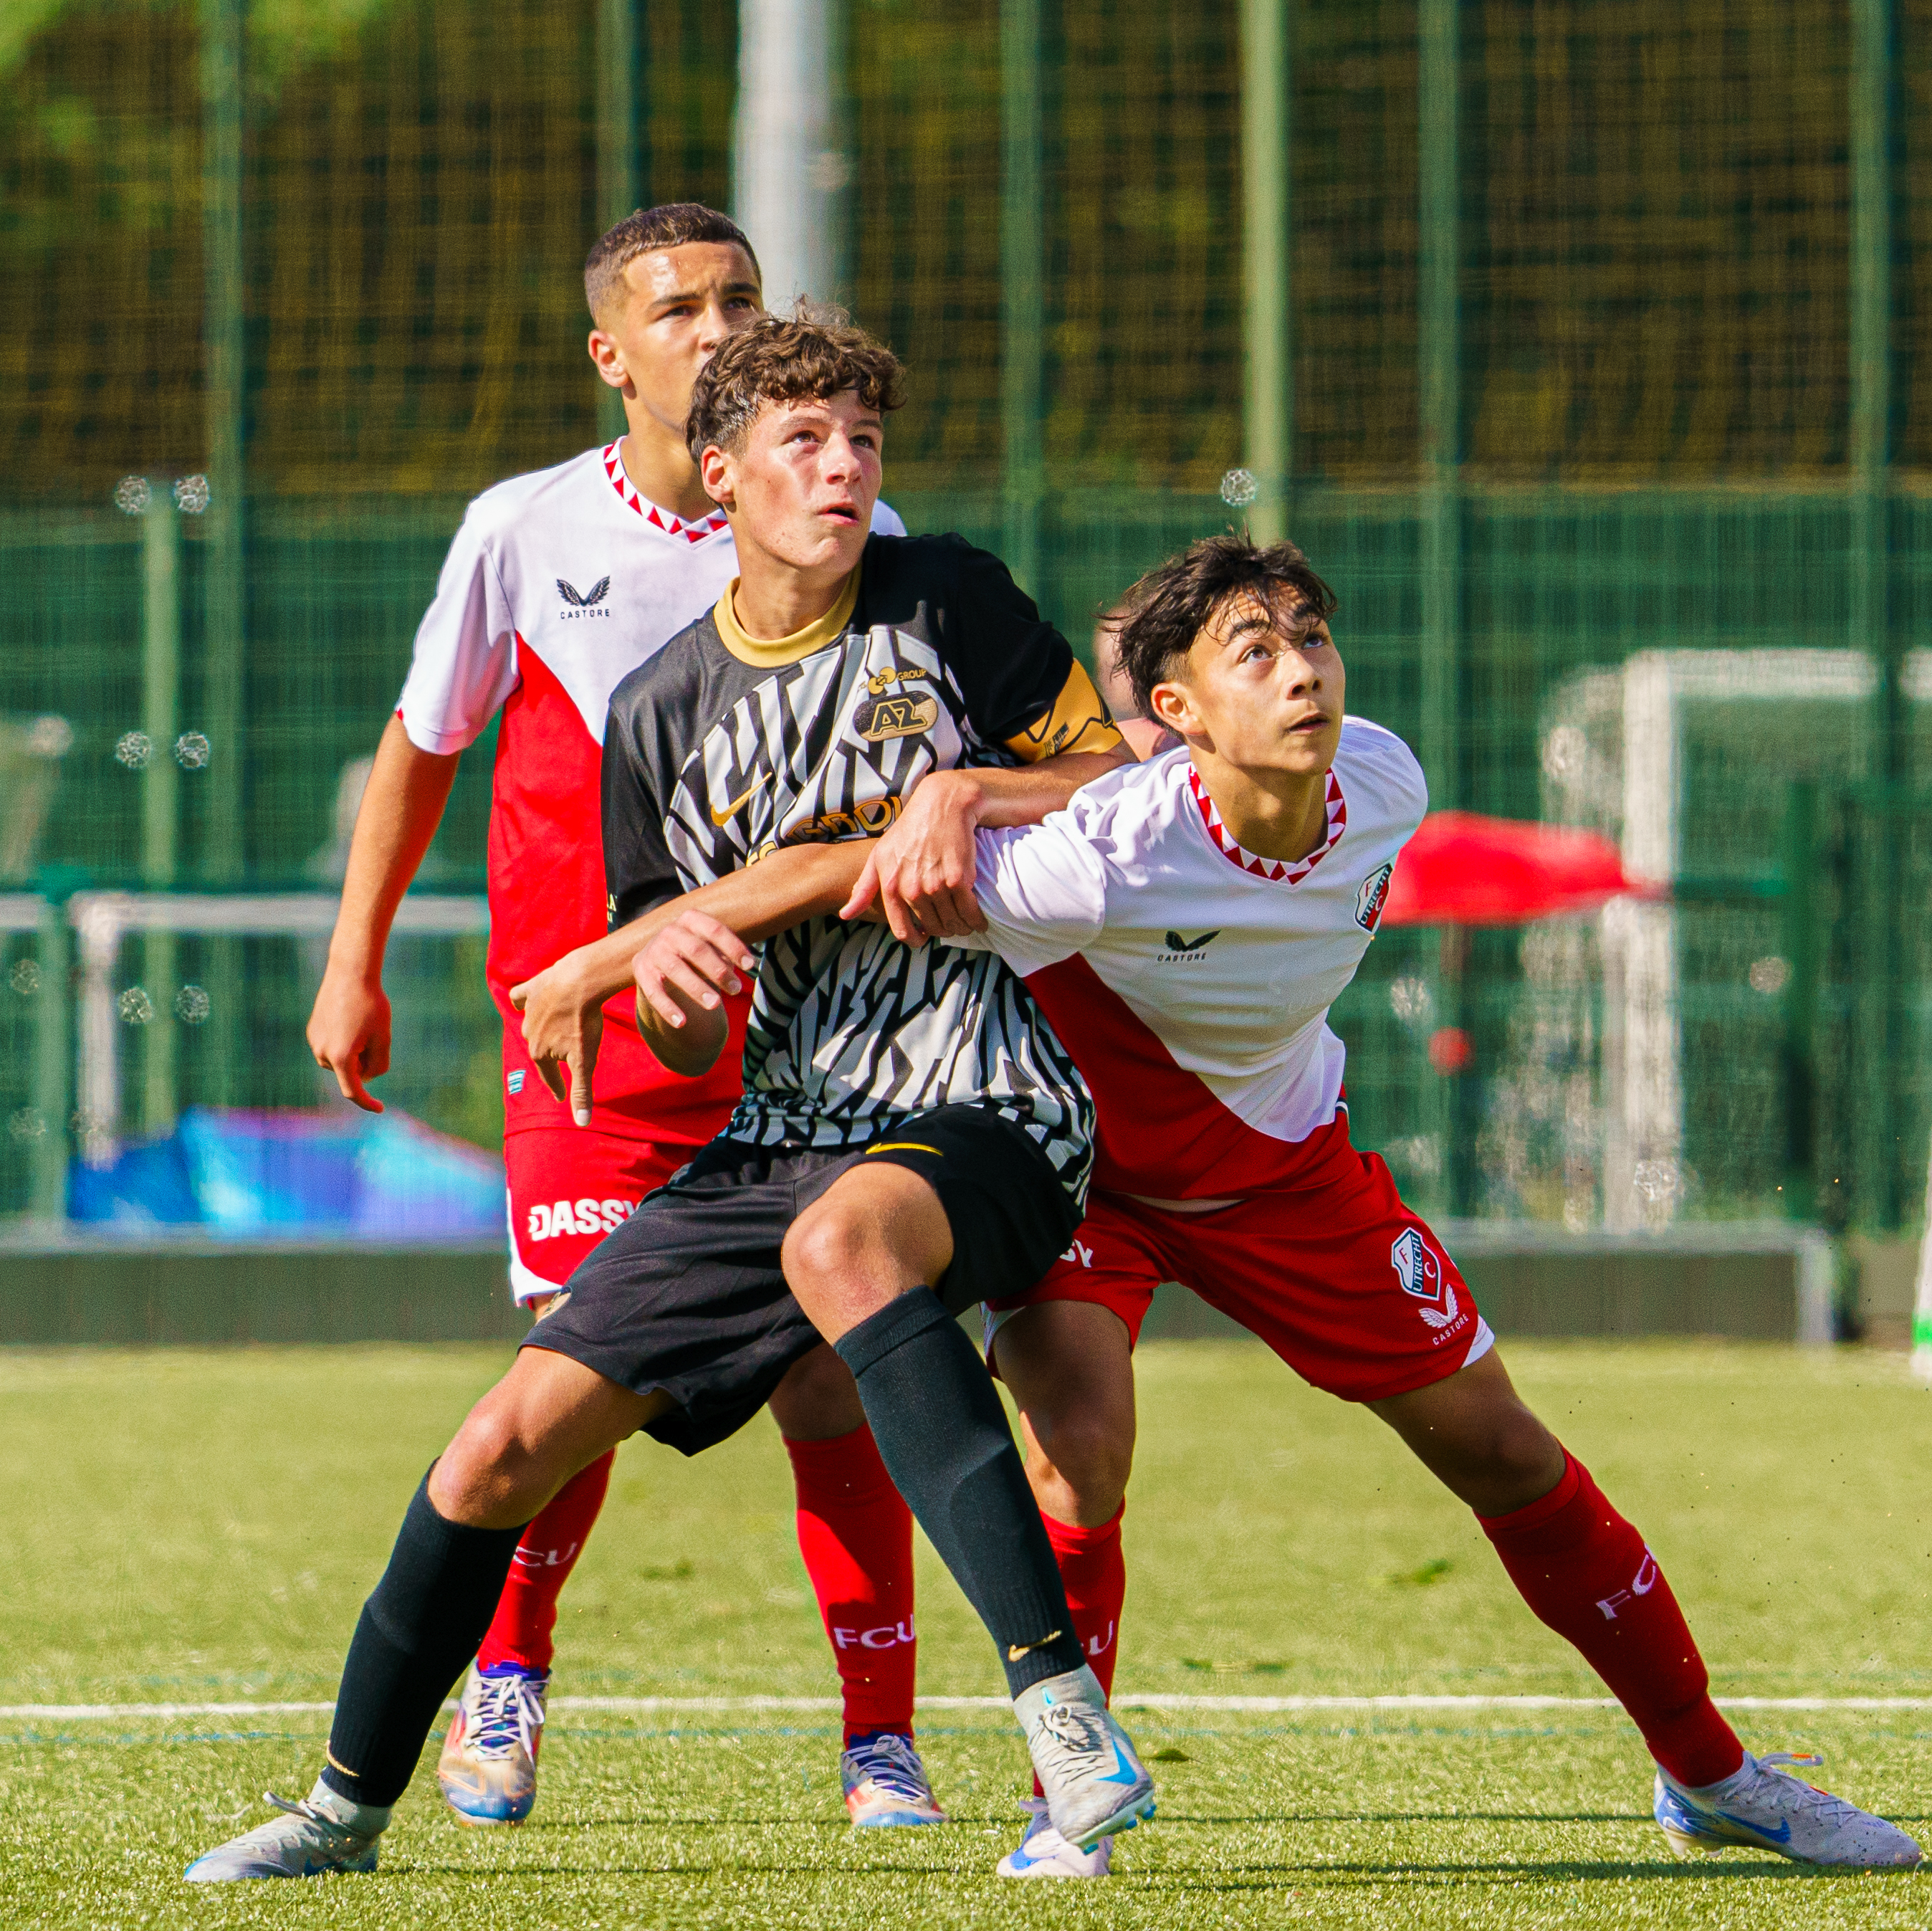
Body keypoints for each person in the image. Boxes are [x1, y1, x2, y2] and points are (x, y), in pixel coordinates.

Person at [575, 534, 1926, 1882]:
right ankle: (1069, 1803)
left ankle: (1711, 1772)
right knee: (1077, 1443)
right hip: (1086, 1169)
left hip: (1286, 1171)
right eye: (1255, 652)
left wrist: (968, 787)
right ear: (1174, 717)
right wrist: (621, 952)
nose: (1302, 673)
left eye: (1312, 640)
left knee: (1506, 1453)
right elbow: (841, 875)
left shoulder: (1386, 779)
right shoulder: (1103, 852)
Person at [188, 310, 1150, 1883]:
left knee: (846, 1253)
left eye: (862, 442)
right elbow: (694, 1022)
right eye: (804, 442)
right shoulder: (654, 712)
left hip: (984, 1098)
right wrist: (684, 1006)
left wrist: (967, 785)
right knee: (499, 1445)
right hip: (779, 1135)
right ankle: (344, 1811)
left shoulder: (948, 599)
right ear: (722, 476)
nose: (843, 469)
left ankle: (1059, 1721)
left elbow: (1121, 784)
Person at [302, 201, 939, 1834]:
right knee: (572, 1367)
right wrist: (353, 958)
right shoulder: (520, 527)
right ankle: (505, 1686)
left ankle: (882, 1741)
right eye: (678, 310)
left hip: (802, 1038)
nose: (719, 329)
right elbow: (423, 742)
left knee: (831, 1376)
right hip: (580, 1040)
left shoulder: (843, 527)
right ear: (612, 355)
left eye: (741, 298)